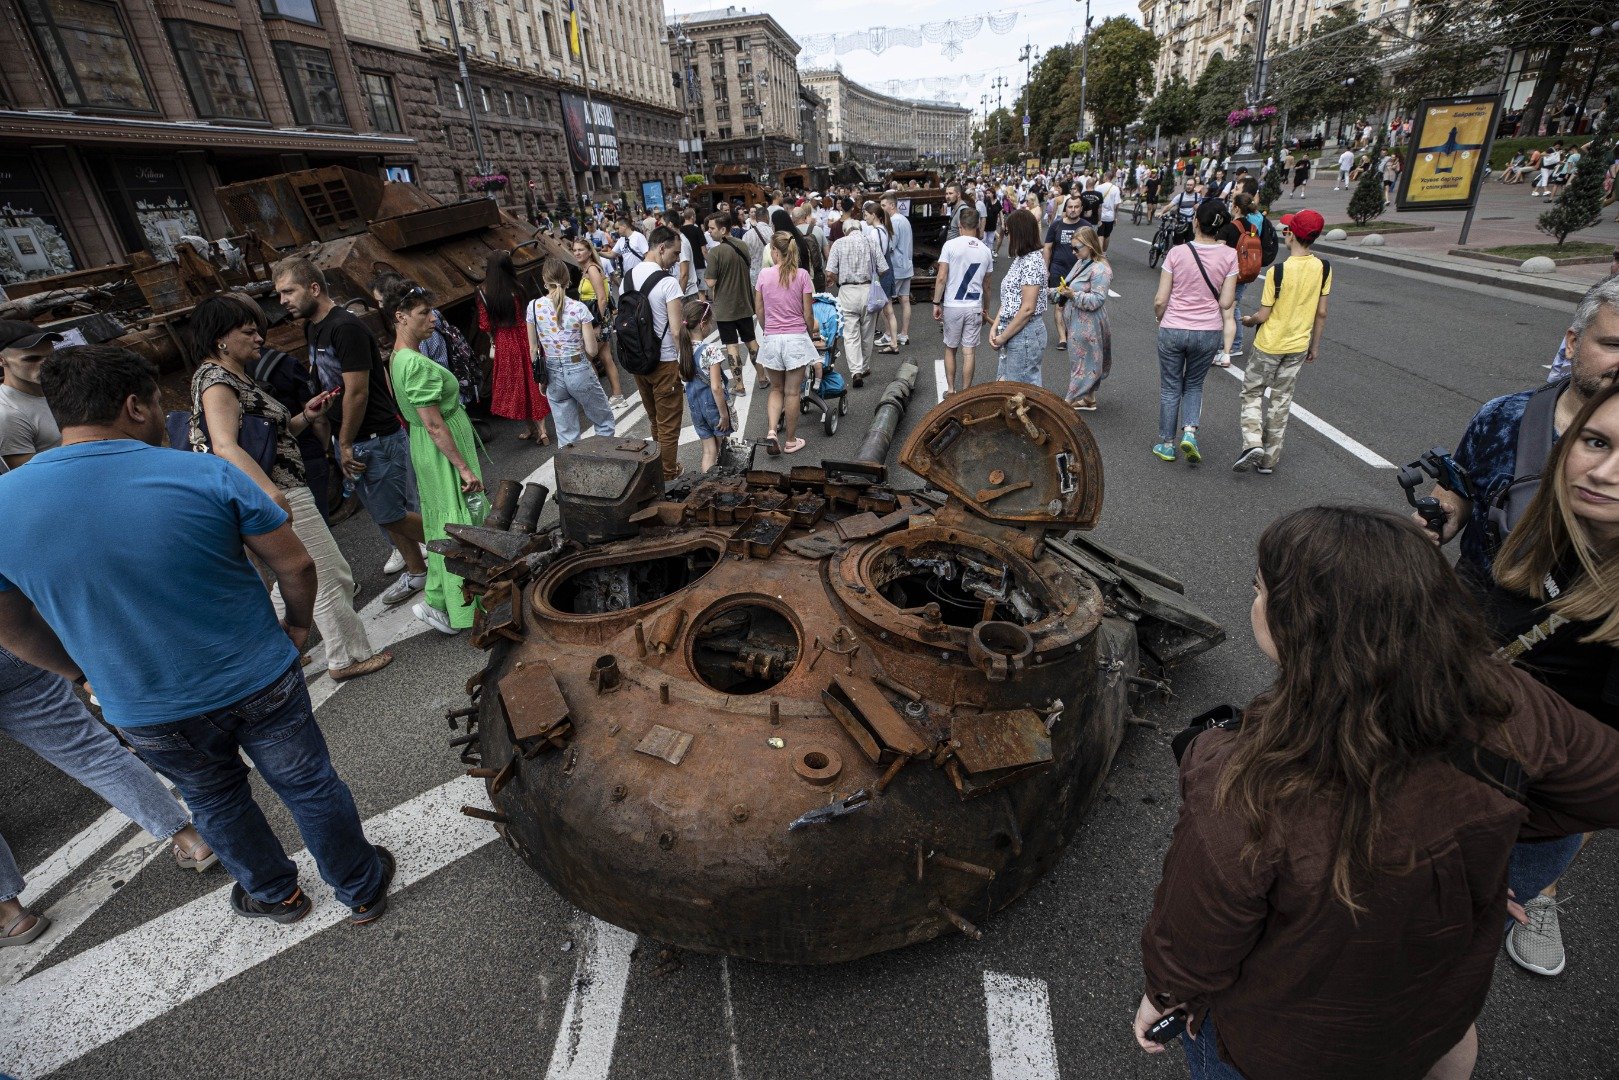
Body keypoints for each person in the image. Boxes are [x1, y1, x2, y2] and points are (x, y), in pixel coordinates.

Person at [1135, 505, 1619, 1080]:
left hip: (1287, 1047)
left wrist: (1164, 997)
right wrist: (1486, 855)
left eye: (1261, 590)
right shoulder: (1505, 705)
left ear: (1300, 626)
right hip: (1433, 1010)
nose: (1255, 602)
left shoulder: (1245, 778)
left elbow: (1198, 935)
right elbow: (1598, 788)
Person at [0, 345, 394, 926]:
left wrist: (82, 673)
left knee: (213, 799)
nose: (165, 415)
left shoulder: (5, 506)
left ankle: (276, 895)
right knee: (308, 783)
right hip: (257, 672)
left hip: (144, 703)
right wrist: (300, 626)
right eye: (161, 401)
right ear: (134, 405)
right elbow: (296, 565)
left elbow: (12, 628)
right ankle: (359, 887)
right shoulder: (204, 472)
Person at [1485, 377, 1619, 978]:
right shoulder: (1544, 530)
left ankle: (1537, 895)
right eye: (1595, 442)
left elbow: (1605, 782)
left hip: (1520, 822)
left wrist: (1472, 846)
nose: (1603, 472)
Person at [187, 295, 392, 681]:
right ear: (220, 338)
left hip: (274, 488)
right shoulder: (216, 381)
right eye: (248, 331)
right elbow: (224, 445)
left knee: (289, 577)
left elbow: (267, 439)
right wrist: (271, 492)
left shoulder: (232, 376)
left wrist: (304, 416)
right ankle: (346, 657)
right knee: (329, 573)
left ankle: (281, 652)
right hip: (278, 491)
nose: (259, 338)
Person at [273, 257, 430, 608]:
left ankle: (457, 551)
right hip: (352, 438)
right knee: (384, 513)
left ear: (314, 288)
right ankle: (419, 571)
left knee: (392, 513)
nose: (282, 300)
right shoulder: (314, 328)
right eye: (279, 293)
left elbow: (357, 391)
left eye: (288, 291)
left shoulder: (345, 328)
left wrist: (344, 442)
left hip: (374, 437)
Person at [385, 283, 485, 635]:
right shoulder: (413, 362)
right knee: (458, 522)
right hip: (438, 449)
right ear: (400, 317)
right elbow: (432, 423)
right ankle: (458, 607)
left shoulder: (399, 355)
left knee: (444, 520)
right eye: (423, 313)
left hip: (427, 448)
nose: (433, 318)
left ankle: (446, 599)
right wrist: (462, 466)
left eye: (431, 310)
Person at [1232, 210, 1331, 476]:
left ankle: (1252, 442)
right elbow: (1321, 312)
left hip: (1269, 344)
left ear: (1290, 234)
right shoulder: (1324, 268)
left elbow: (1264, 314)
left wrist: (1250, 320)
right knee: (1281, 399)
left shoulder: (1278, 272)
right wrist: (1315, 346)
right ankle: (1269, 460)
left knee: (1252, 392)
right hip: (1298, 345)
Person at [1152, 199, 1237, 464]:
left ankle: (1167, 444)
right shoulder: (1229, 255)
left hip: (1174, 327)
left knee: (1170, 387)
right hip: (1208, 331)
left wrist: (1160, 317)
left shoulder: (1177, 253)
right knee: (1194, 385)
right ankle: (1189, 432)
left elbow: (1160, 300)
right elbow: (1225, 302)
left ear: (1195, 221)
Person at [529, 257, 614, 449]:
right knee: (603, 421)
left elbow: (533, 349)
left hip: (551, 372)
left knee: (567, 435)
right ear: (568, 281)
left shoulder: (533, 307)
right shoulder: (579, 308)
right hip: (579, 367)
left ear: (544, 280)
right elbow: (592, 349)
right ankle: (604, 464)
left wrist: (541, 379)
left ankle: (575, 475)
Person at [628, 226, 692, 479]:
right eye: (675, 253)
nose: (677, 259)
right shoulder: (668, 283)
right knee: (669, 425)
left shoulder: (627, 278)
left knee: (655, 419)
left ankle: (659, 468)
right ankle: (667, 474)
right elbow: (677, 331)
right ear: (661, 247)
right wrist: (684, 364)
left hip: (638, 361)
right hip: (664, 362)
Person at [754, 229, 822, 456]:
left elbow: (759, 309)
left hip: (772, 338)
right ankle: (791, 441)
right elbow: (808, 313)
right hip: (796, 338)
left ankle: (772, 431)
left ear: (775, 250)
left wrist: (767, 329)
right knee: (793, 392)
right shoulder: (802, 275)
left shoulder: (763, 275)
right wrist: (809, 334)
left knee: (776, 389)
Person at [476, 251, 549, 445]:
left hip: (505, 342)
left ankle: (530, 428)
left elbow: (484, 324)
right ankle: (542, 430)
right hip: (525, 337)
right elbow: (528, 315)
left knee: (517, 384)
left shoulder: (483, 291)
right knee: (533, 381)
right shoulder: (518, 288)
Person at [933, 206, 994, 396]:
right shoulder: (985, 250)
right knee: (969, 352)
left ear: (960, 225)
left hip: (953, 305)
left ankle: (951, 389)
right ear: (977, 226)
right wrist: (986, 309)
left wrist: (936, 302)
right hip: (974, 305)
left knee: (950, 348)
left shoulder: (950, 246)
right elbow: (987, 286)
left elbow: (941, 277)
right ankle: (966, 393)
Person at [988, 208, 1049, 387]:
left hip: (1025, 334)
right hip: (1015, 331)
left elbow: (1028, 308)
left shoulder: (1032, 261)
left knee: (1020, 392)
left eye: (1008, 231)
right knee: (1009, 387)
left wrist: (1002, 336)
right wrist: (996, 327)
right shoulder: (1021, 259)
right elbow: (1009, 299)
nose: (1006, 236)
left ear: (1019, 232)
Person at [825, 205, 884, 388]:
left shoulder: (839, 244)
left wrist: (838, 281)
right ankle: (865, 366)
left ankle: (855, 370)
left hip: (847, 291)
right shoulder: (870, 242)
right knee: (867, 332)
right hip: (868, 290)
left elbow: (829, 272)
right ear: (859, 228)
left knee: (850, 334)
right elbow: (884, 268)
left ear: (845, 231)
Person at [703, 211, 761, 390]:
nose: (709, 232)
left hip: (725, 308)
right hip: (744, 302)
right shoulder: (742, 245)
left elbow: (710, 281)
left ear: (722, 229)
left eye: (712, 228)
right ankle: (763, 376)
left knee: (732, 346)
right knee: (751, 340)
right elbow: (748, 265)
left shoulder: (715, 252)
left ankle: (739, 385)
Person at [1057, 225, 1112, 412]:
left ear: (1089, 245)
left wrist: (1073, 296)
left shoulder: (1100, 269)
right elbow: (1071, 286)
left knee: (1082, 362)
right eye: (1072, 248)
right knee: (1083, 360)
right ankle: (1089, 399)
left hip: (1088, 324)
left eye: (1076, 248)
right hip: (1077, 322)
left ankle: (1069, 400)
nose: (1073, 252)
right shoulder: (1082, 262)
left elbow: (1098, 299)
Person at [568, 237, 627, 406]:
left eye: (580, 250)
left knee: (587, 358)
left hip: (597, 320)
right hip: (599, 319)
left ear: (589, 251)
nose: (577, 253)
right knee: (605, 357)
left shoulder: (592, 269)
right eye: (575, 250)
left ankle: (599, 398)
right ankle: (617, 396)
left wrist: (598, 324)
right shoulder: (586, 269)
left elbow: (602, 298)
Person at [0, 320, 64, 469]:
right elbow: (31, 477)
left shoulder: (64, 388)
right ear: (2, 360)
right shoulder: (7, 414)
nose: (46, 365)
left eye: (50, 356)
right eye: (32, 359)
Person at [685, 301, 731, 473]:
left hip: (695, 407)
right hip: (713, 407)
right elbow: (716, 387)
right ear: (703, 324)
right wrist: (724, 415)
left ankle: (706, 486)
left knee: (708, 451)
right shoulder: (710, 350)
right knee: (722, 452)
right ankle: (723, 486)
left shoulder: (683, 349)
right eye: (710, 322)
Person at [1043, 195, 1088, 353]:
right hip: (1059, 270)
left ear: (1081, 209)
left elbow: (1093, 248)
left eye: (1076, 207)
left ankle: (1073, 332)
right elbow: (1047, 248)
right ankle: (1063, 338)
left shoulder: (1086, 227)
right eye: (1070, 207)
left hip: (1080, 272)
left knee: (1077, 303)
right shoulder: (1056, 225)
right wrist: (1045, 269)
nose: (1073, 210)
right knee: (1060, 305)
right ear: (1065, 208)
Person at [863, 202, 902, 355]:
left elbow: (874, 256)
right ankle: (893, 342)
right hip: (887, 270)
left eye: (866, 215)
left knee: (879, 310)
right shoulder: (884, 230)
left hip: (879, 274)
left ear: (873, 215)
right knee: (889, 310)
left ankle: (892, 342)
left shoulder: (874, 233)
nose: (865, 217)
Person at [880, 193, 914, 346]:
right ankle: (904, 334)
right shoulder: (904, 220)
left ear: (891, 205)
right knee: (905, 299)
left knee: (886, 301)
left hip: (896, 266)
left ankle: (888, 334)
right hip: (907, 264)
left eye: (883, 205)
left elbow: (891, 246)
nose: (882, 209)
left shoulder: (893, 221)